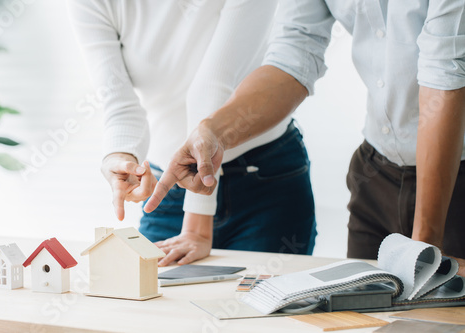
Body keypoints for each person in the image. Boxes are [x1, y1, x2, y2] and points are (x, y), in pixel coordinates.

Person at [145, 0, 465, 276]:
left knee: (441, 319)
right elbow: (292, 60)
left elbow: (444, 74)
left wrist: (424, 245)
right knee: (366, 318)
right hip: (376, 173)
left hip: (454, 180)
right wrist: (215, 132)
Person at [68, 0, 317, 266]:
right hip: (170, 186)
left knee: (260, 304)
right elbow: (119, 104)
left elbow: (213, 86)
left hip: (263, 180)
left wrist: (197, 223)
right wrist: (118, 158)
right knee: (151, 299)